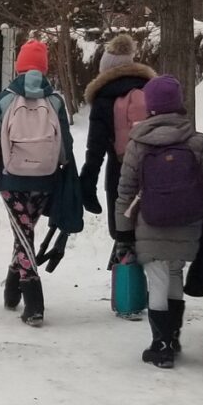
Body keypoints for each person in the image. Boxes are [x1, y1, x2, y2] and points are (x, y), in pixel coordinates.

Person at [113, 76, 203, 367]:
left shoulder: (138, 144)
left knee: (158, 277)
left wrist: (123, 231)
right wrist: (192, 202)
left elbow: (125, 190)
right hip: (188, 222)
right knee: (175, 273)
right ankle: (173, 336)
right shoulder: (197, 141)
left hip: (151, 221)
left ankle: (160, 344)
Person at [0, 39, 75, 327]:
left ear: (19, 66)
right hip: (45, 180)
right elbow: (65, 145)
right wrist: (59, 167)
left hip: (12, 178)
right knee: (25, 232)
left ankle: (34, 304)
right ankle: (11, 292)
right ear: (44, 69)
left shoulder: (5, 99)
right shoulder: (55, 101)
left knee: (24, 235)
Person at [81, 33, 156, 248]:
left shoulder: (103, 97)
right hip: (153, 167)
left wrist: (88, 184)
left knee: (122, 230)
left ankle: (127, 274)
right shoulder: (150, 90)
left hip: (120, 170)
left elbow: (95, 149)